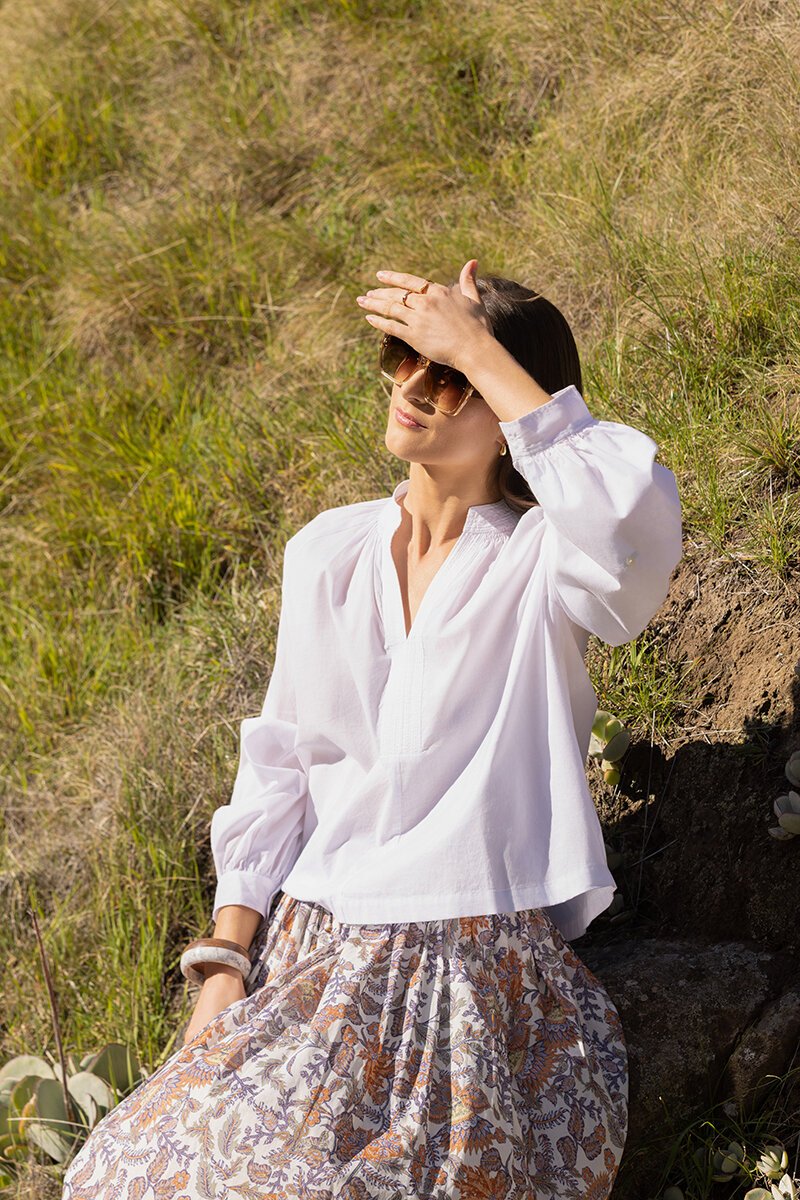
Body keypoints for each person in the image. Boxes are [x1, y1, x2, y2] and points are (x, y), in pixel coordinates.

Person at [62, 259, 683, 1200]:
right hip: (310, 950)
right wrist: (225, 963)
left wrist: (482, 348)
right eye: (404, 358)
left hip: (465, 962)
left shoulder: (547, 561)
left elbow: (633, 524)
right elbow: (280, 761)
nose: (414, 389)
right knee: (124, 1175)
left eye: (450, 377)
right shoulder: (328, 549)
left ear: (510, 412)